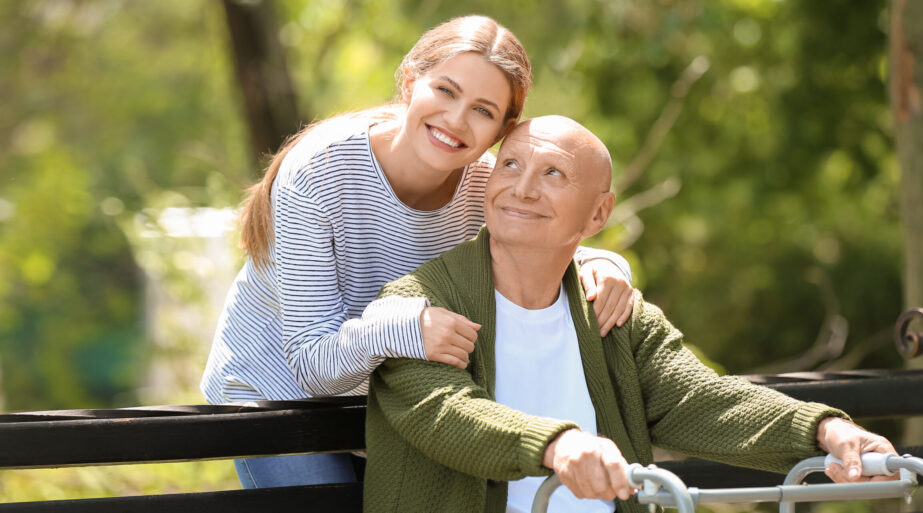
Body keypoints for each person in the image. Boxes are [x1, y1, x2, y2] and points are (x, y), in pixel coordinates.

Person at [363, 116, 898, 513]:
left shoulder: (614, 312)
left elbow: (699, 399)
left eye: (553, 173)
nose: (522, 187)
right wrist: (559, 445)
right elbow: (449, 416)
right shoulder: (416, 309)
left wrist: (825, 430)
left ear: (598, 213)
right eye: (510, 164)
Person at [199, 17, 635, 489]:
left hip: (395, 405)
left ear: (502, 130)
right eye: (445, 91)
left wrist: (604, 263)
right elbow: (311, 365)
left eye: (482, 111)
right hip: (282, 395)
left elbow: (547, 239)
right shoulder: (319, 173)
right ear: (410, 81)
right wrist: (405, 328)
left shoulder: (486, 185)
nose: (455, 120)